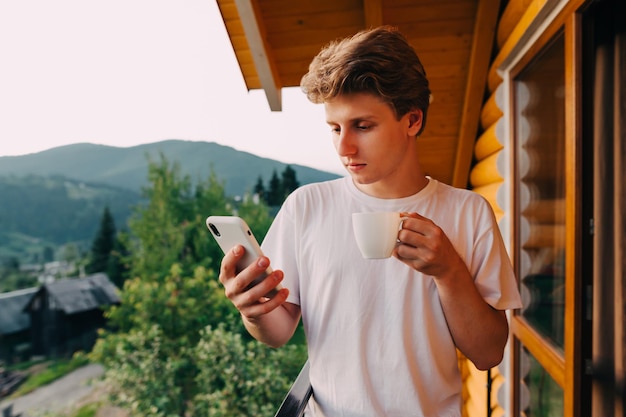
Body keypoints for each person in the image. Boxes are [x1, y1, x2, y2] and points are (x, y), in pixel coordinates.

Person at [219, 26, 522, 416]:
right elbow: (277, 333)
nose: (344, 147)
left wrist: (449, 272)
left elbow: (488, 352)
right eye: (335, 128)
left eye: (363, 126)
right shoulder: (306, 207)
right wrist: (252, 310)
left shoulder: (468, 211)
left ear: (412, 120)